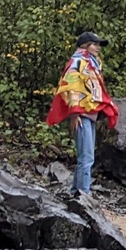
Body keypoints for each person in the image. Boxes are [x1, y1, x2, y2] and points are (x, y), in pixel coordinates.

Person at [44, 31, 117, 196]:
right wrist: (74, 113)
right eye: (95, 44)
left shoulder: (91, 64)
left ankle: (76, 193)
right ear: (85, 45)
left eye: (99, 45)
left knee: (86, 156)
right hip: (81, 115)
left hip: (89, 114)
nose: (98, 48)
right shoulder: (78, 62)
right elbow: (70, 88)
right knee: (86, 157)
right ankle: (83, 194)